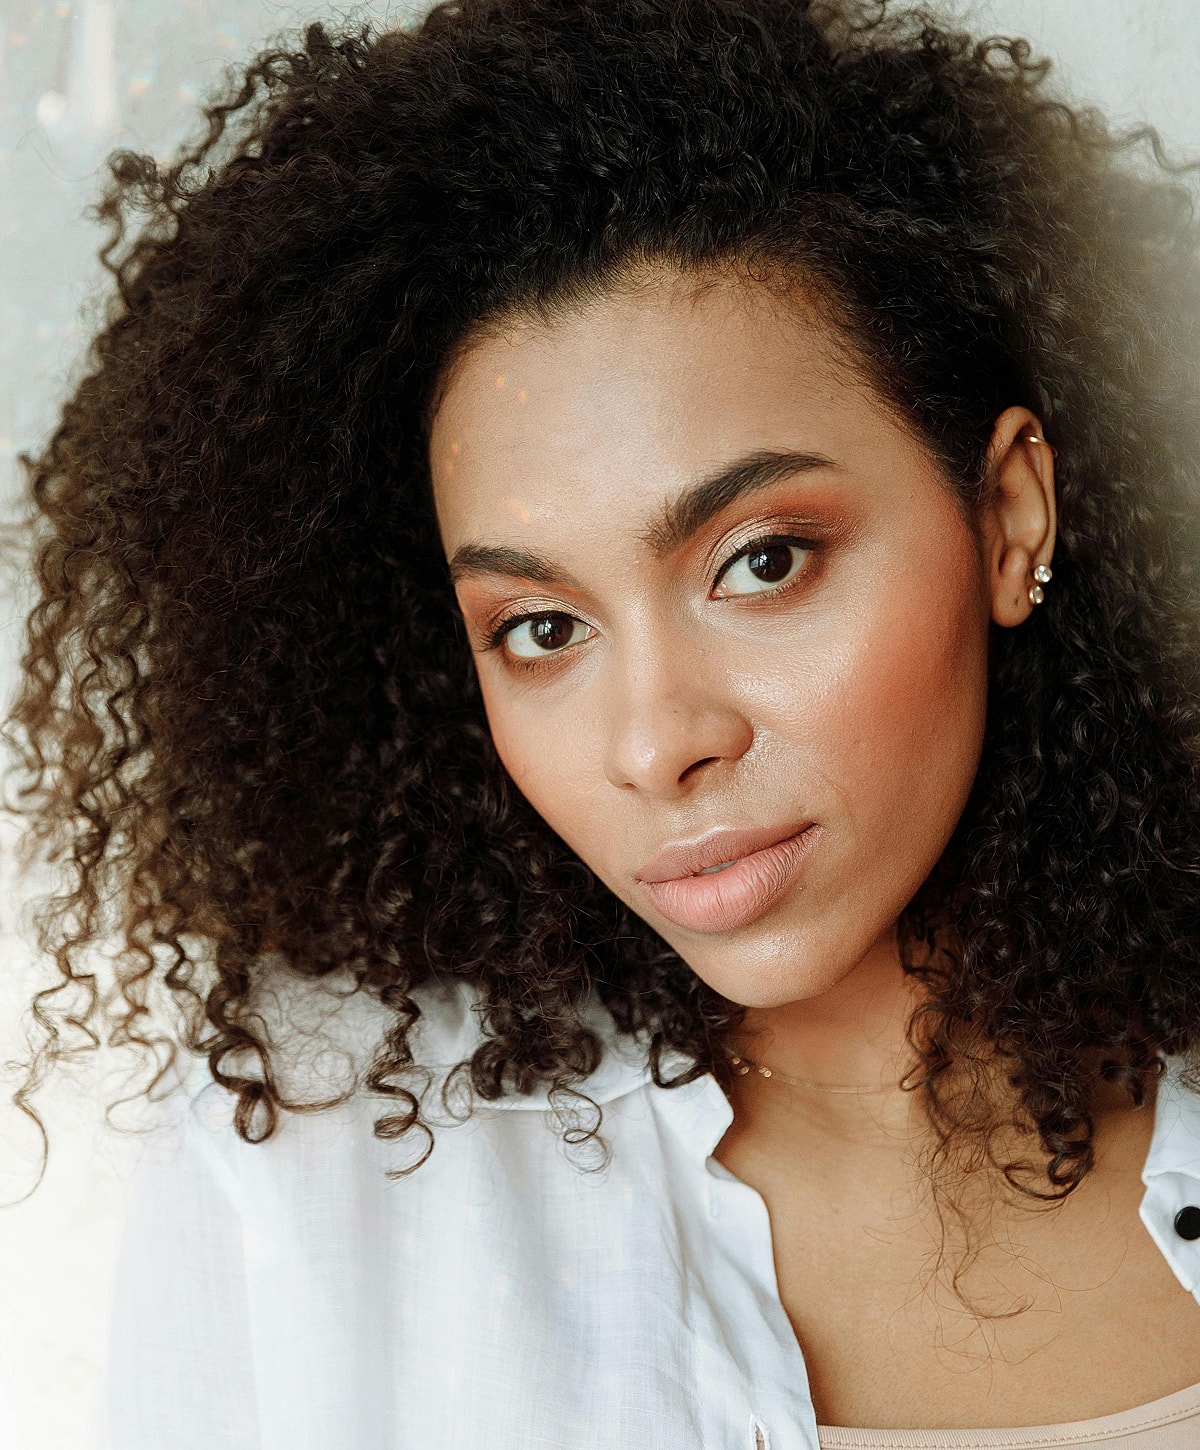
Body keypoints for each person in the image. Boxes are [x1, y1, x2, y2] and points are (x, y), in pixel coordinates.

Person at [6, 0, 1200, 1445]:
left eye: (763, 559)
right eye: (540, 628)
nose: (656, 742)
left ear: (1009, 516)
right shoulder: (320, 1172)